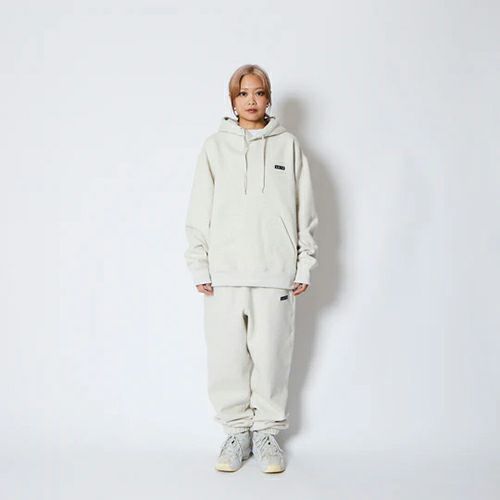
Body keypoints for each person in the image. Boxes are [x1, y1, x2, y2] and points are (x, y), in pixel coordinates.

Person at [184, 64, 319, 473]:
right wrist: (199, 264)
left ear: (268, 98)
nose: (251, 100)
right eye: (243, 93)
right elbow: (199, 209)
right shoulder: (214, 148)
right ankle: (236, 433)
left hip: (275, 273)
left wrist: (303, 264)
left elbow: (305, 209)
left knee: (272, 357)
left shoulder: (288, 146)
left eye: (258, 93)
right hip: (224, 275)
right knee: (227, 360)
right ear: (232, 100)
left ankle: (266, 434)